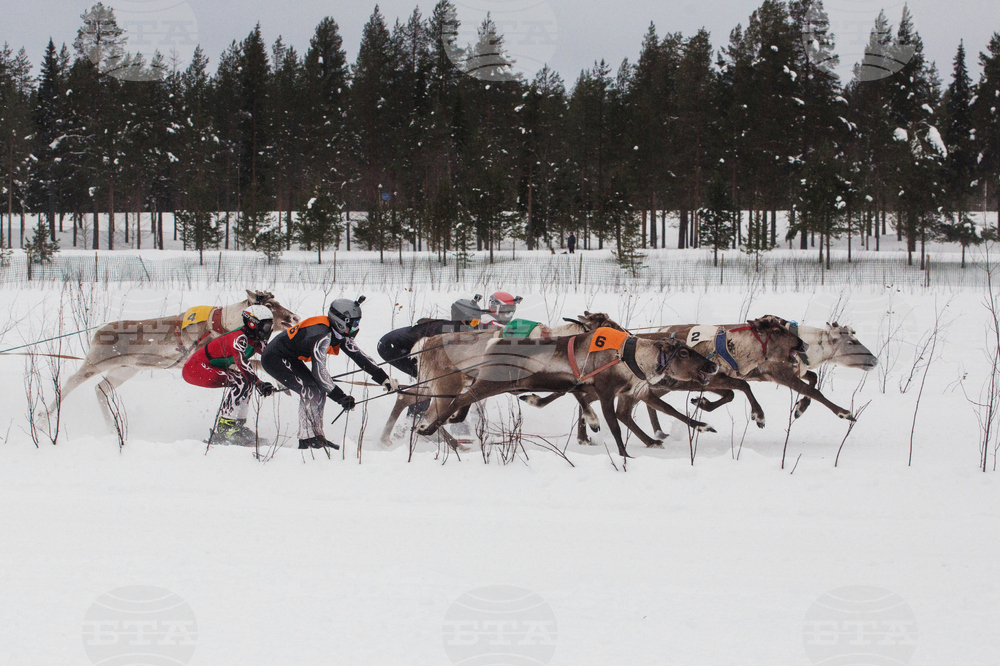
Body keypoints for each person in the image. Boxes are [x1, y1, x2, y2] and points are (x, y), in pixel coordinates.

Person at [261, 295, 398, 450]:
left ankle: (316, 437)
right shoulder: (322, 334)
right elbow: (319, 371)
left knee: (318, 389)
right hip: (274, 358)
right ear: (340, 321)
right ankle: (307, 440)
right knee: (310, 390)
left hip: (290, 357)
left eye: (357, 323)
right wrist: (340, 397)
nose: (356, 328)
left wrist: (383, 378)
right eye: (353, 324)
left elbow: (359, 356)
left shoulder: (338, 332)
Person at [182, 304, 277, 445]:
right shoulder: (239, 338)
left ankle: (237, 425)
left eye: (269, 326)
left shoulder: (254, 339)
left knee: (246, 381)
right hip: (195, 368)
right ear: (252, 324)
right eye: (265, 327)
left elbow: (272, 356)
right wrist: (259, 383)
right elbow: (242, 363)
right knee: (241, 380)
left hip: (209, 366)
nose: (267, 331)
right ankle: (225, 427)